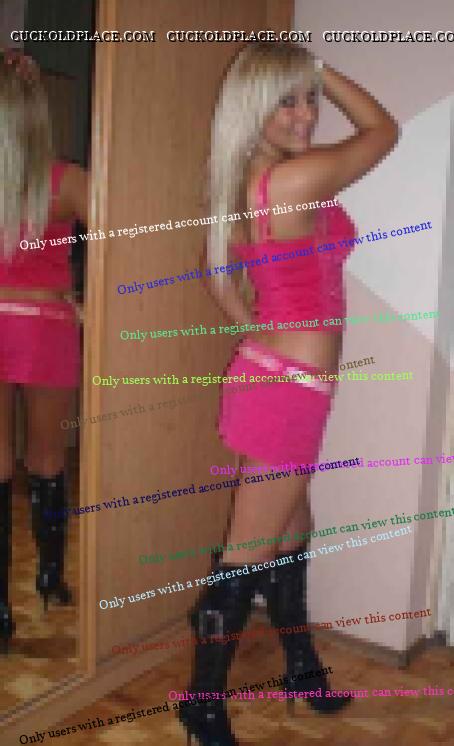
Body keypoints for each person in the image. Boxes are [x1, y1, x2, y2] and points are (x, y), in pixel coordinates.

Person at [179, 43, 398, 745]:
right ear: (254, 108)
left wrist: (256, 334)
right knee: (247, 553)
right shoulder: (294, 179)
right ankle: (201, 704)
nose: (307, 114)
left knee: (293, 529)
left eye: (309, 98)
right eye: (288, 100)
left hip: (282, 382)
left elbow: (216, 272)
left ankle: (300, 667)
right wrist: (319, 68)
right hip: (286, 393)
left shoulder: (252, 176)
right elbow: (383, 131)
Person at [0, 50, 88, 651]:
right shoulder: (68, 181)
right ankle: (51, 577)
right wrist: (81, 297)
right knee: (48, 459)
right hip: (45, 325)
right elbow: (125, 249)